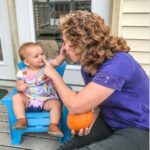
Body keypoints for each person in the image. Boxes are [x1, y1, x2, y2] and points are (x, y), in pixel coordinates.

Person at [43, 10, 149, 150]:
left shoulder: (119, 63)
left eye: (67, 42)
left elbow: (75, 105)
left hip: (137, 127)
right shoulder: (87, 67)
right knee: (69, 146)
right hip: (109, 120)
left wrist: (54, 75)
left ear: (82, 44)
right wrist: (93, 116)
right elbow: (97, 101)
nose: (64, 48)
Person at [13, 42, 65, 138]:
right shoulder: (22, 72)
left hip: (47, 99)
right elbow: (18, 83)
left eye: (42, 54)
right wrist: (20, 86)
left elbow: (57, 62)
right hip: (29, 99)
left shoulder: (47, 65)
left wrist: (62, 55)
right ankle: (21, 119)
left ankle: (53, 125)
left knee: (56, 104)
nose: (41, 57)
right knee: (16, 97)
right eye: (36, 56)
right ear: (27, 62)